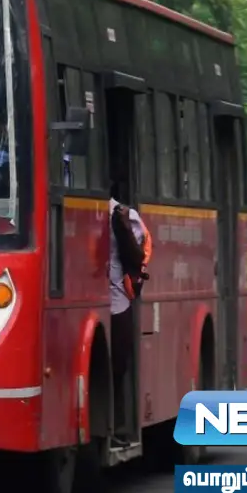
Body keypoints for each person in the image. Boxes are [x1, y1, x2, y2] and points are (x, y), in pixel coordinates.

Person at [108, 187, 147, 446]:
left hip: (118, 300)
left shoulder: (124, 215)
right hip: (87, 297)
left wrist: (122, 227)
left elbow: (137, 257)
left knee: (117, 366)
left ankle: (119, 427)